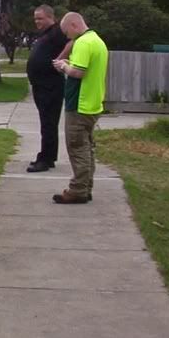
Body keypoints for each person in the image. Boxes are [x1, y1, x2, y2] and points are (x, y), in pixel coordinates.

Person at [51, 12, 109, 204]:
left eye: (67, 31)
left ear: (74, 25)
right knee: (88, 148)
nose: (67, 36)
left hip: (79, 105)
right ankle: (86, 186)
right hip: (93, 103)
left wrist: (63, 67)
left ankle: (77, 190)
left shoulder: (83, 43)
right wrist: (69, 63)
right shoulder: (97, 41)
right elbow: (85, 67)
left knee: (77, 148)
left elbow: (79, 72)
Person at [25, 5, 70, 173]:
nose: (37, 22)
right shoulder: (46, 34)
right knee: (46, 122)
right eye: (35, 18)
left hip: (50, 86)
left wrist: (60, 58)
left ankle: (45, 159)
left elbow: (73, 41)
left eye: (40, 18)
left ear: (50, 17)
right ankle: (49, 156)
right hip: (40, 85)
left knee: (48, 123)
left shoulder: (57, 31)